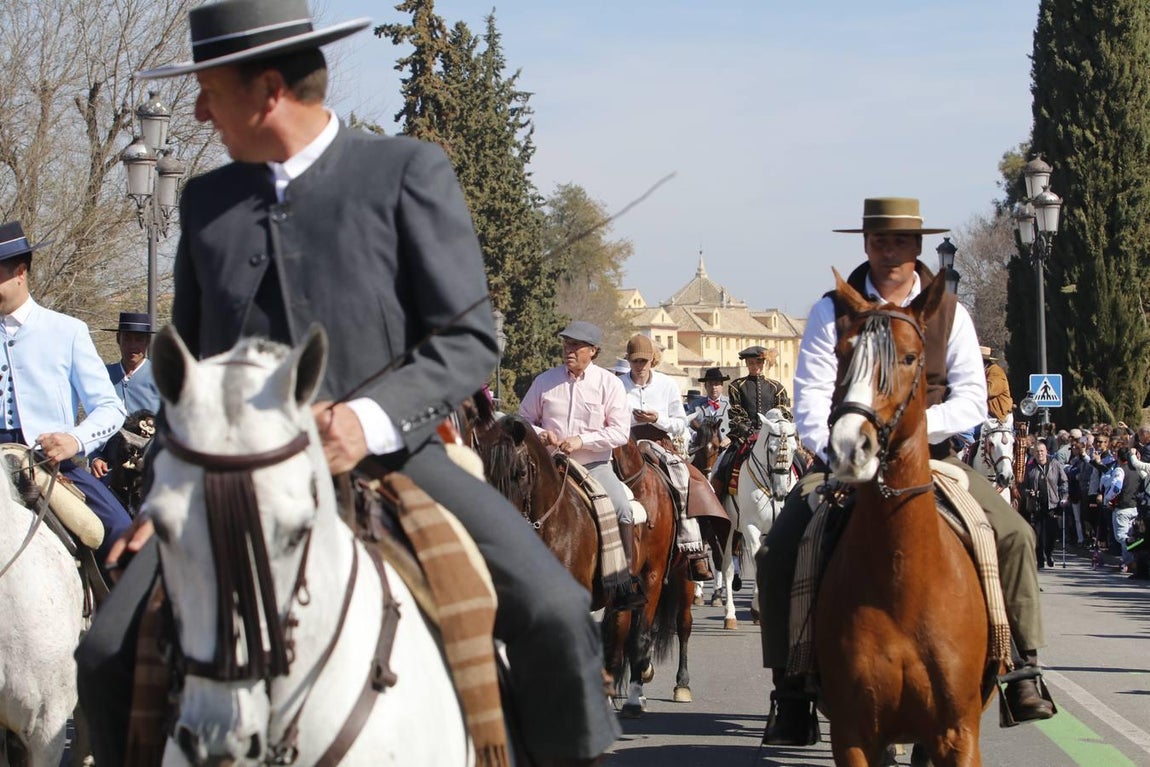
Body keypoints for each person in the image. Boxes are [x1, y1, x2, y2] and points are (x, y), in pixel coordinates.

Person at [75, 4, 617, 766]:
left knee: (556, 611)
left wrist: (367, 418)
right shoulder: (204, 205)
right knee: (103, 650)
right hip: (230, 478)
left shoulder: (404, 172)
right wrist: (166, 490)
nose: (198, 109)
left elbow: (470, 339)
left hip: (394, 459)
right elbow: (185, 378)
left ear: (268, 88)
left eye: (209, 90)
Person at [758, 197, 1053, 746]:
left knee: (1014, 535)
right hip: (845, 459)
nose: (887, 249)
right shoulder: (832, 310)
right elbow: (810, 401)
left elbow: (971, 399)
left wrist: (911, 433)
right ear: (865, 245)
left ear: (916, 247)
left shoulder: (950, 312)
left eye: (898, 240)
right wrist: (845, 454)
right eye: (878, 240)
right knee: (778, 550)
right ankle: (792, 686)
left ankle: (1022, 669)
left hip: (931, 458)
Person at [0, 220, 131, 563]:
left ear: (21, 272)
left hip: (46, 462)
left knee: (122, 534)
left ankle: (126, 615)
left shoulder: (67, 331)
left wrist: (74, 440)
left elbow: (110, 407)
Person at [519, 321, 646, 607]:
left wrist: (581, 441)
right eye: (566, 344)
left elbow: (619, 432)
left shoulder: (608, 383)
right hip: (549, 465)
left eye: (576, 346)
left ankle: (623, 580)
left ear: (593, 351)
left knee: (623, 508)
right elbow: (523, 419)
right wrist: (543, 434)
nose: (569, 350)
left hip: (594, 467)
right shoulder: (544, 381)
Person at [91, 312, 160, 481]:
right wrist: (95, 456)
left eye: (139, 339)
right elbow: (91, 419)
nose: (132, 345)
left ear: (147, 342)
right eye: (127, 338)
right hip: (108, 468)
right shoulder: (103, 376)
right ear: (118, 338)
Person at [620, 333, 688, 449]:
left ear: (652, 358)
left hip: (661, 444)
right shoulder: (617, 385)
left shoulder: (668, 384)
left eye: (643, 361)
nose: (639, 366)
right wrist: (632, 419)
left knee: (681, 468)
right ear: (628, 360)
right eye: (635, 361)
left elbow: (681, 424)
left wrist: (657, 419)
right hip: (626, 446)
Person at [727, 345, 790, 443]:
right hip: (744, 437)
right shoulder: (736, 386)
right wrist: (744, 427)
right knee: (727, 457)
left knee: (796, 456)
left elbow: (780, 413)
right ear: (746, 364)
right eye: (751, 363)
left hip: (772, 436)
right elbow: (736, 411)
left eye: (758, 362)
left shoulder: (777, 387)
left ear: (763, 363)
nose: (755, 366)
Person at [1022, 441, 1069, 568]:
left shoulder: (1055, 464)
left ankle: (1049, 553)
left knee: (1051, 533)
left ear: (1046, 452)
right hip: (1036, 505)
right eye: (1037, 452)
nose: (1040, 454)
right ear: (1034, 453)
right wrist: (1028, 492)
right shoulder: (1030, 467)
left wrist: (1064, 497)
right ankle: (1040, 559)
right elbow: (1024, 486)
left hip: (1052, 504)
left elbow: (1064, 481)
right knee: (1038, 533)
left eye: (1042, 451)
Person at [1103, 446, 1141, 574]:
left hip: (1122, 508)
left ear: (1118, 458)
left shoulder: (1120, 470)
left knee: (1121, 536)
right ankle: (1128, 561)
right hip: (1134, 507)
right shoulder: (1136, 470)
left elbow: (1116, 488)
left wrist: (1107, 499)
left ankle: (1130, 562)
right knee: (1129, 534)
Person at [687, 367, 732, 446]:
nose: (713, 387)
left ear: (722, 386)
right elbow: (685, 425)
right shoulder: (695, 405)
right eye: (710, 384)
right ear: (705, 386)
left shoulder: (730, 404)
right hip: (701, 449)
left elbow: (738, 426)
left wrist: (729, 438)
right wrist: (694, 435)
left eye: (716, 384)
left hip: (726, 448)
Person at [983, 345, 1013, 421]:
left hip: (996, 416)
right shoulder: (985, 371)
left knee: (965, 431)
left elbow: (989, 391)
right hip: (987, 414)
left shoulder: (995, 371)